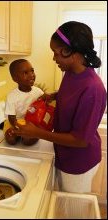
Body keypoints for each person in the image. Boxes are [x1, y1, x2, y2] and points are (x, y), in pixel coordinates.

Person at [12, 21, 107, 193]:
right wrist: (54, 95)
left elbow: (80, 140)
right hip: (64, 154)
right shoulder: (71, 73)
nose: (53, 58)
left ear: (71, 52)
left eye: (56, 53)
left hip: (78, 163)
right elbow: (71, 92)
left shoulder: (93, 88)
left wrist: (37, 132)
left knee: (73, 212)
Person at [4, 59, 44, 146]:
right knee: (10, 138)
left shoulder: (38, 92)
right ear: (15, 79)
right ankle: (21, 136)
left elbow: (44, 105)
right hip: (16, 124)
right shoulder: (12, 96)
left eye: (32, 71)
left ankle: (30, 136)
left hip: (33, 124)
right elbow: (11, 117)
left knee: (27, 141)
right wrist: (18, 128)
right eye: (25, 73)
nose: (31, 75)